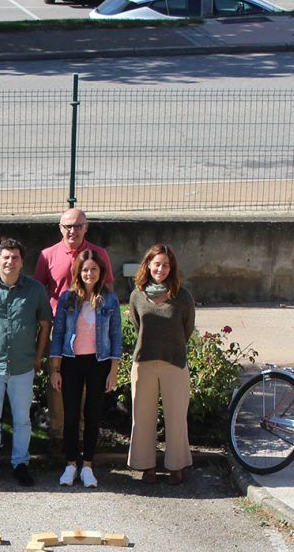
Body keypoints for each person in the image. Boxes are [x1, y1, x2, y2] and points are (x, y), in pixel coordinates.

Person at [0, 238, 52, 487]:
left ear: (21, 261)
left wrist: (39, 356)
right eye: (6, 257)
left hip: (22, 366)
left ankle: (20, 463)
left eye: (15, 257)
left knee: (22, 419)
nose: (10, 261)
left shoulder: (36, 290)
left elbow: (45, 323)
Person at [34, 208, 112, 452]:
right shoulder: (47, 255)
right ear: (60, 228)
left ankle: (80, 437)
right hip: (58, 332)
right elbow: (38, 291)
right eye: (68, 225)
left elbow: (108, 291)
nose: (73, 230)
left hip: (90, 332)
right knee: (57, 384)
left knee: (88, 386)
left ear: (86, 228)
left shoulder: (98, 254)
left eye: (78, 225)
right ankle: (58, 435)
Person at [49, 249, 122, 489]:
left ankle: (88, 466)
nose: (89, 273)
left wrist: (113, 370)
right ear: (78, 273)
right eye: (85, 269)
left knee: (93, 415)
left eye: (94, 269)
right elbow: (58, 333)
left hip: (98, 363)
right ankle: (71, 464)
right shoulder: (67, 299)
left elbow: (115, 337)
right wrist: (55, 369)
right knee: (71, 416)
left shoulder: (109, 300)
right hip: (71, 362)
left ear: (100, 272)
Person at [128, 243, 196, 485]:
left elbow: (187, 329)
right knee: (143, 417)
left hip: (174, 363)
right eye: (156, 263)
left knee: (176, 417)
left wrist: (170, 345)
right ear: (148, 265)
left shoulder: (183, 296)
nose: (161, 268)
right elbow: (138, 327)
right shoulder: (137, 295)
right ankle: (146, 466)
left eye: (165, 264)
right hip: (144, 362)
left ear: (172, 267)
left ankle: (176, 466)